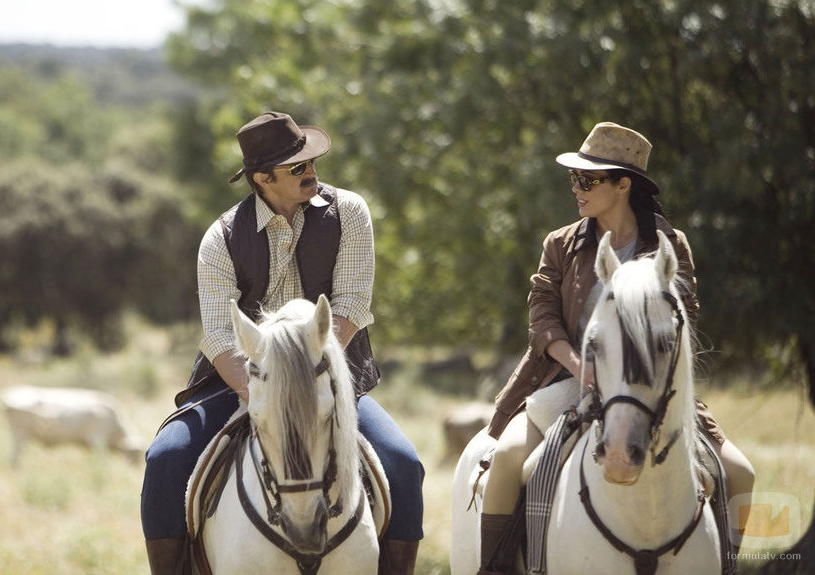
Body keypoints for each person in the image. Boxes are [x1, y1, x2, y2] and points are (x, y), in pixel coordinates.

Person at [140, 111, 424, 574]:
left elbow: (351, 304)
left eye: (310, 162)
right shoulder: (220, 238)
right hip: (242, 381)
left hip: (329, 377)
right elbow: (217, 334)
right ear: (262, 179)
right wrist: (266, 396)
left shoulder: (350, 212)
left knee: (404, 463)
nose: (311, 172)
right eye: (297, 168)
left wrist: (305, 377)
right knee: (164, 458)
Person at [477, 122, 755, 574]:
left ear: (623, 185)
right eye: (574, 179)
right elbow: (542, 314)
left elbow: (685, 317)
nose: (577, 189)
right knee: (508, 459)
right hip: (568, 381)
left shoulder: (671, 246)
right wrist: (579, 362)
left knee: (742, 473)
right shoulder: (560, 244)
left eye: (588, 180)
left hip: (649, 386)